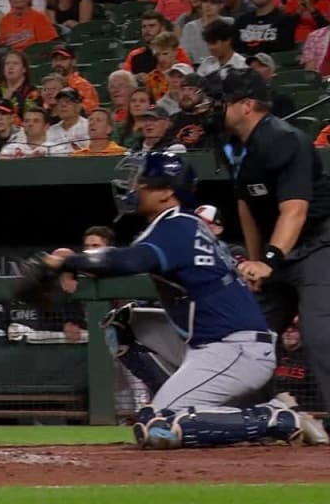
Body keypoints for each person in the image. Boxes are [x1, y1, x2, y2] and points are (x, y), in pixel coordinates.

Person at [31, 152, 327, 449]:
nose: (134, 187)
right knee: (124, 323)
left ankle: (276, 418)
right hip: (211, 343)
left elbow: (132, 260)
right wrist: (80, 263)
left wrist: (68, 263)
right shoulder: (180, 223)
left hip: (235, 348)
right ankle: (175, 398)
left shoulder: (177, 226)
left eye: (142, 182)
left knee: (159, 427)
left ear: (166, 193)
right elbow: (126, 259)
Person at [215, 68, 330, 416]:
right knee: (252, 336)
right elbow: (246, 205)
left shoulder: (286, 138)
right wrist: (254, 265)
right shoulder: (234, 146)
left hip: (317, 242)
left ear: (246, 105)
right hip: (276, 251)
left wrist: (268, 259)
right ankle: (253, 419)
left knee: (320, 335)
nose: (219, 108)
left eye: (225, 102)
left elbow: (294, 210)